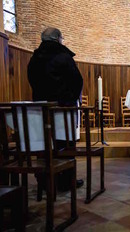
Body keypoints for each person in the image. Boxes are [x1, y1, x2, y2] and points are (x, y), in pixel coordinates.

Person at [28, 27, 84, 190]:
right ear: (57, 39)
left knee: (43, 144)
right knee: (65, 144)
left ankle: (44, 181)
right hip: (62, 109)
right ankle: (67, 181)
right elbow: (77, 81)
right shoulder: (64, 57)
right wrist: (69, 100)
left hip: (41, 110)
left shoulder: (35, 58)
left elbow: (32, 80)